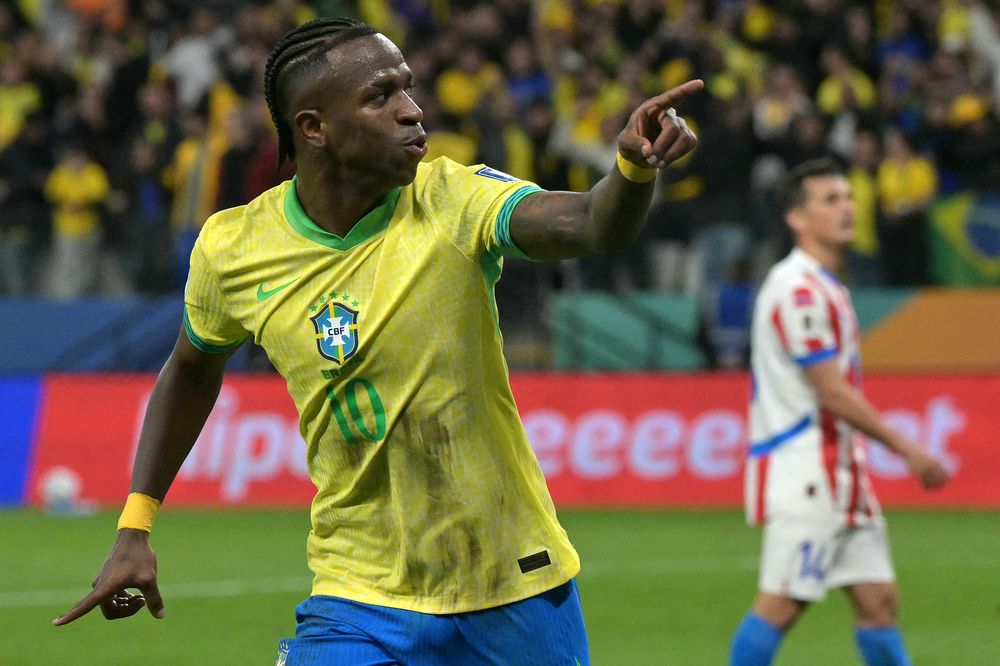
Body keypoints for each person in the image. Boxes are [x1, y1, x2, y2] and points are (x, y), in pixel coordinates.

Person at [53, 17, 701, 665]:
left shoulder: (453, 199)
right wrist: (135, 525)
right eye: (380, 96)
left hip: (513, 579)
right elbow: (191, 369)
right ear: (315, 128)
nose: (412, 111)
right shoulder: (234, 248)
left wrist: (631, 170)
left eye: (408, 88)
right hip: (358, 592)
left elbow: (591, 223)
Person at [728, 158, 950, 666]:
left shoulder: (827, 286)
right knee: (781, 605)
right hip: (808, 469)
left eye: (848, 196)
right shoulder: (798, 291)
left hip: (842, 471)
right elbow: (831, 392)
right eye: (830, 200)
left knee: (879, 604)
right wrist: (909, 449)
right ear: (797, 218)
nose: (847, 207)